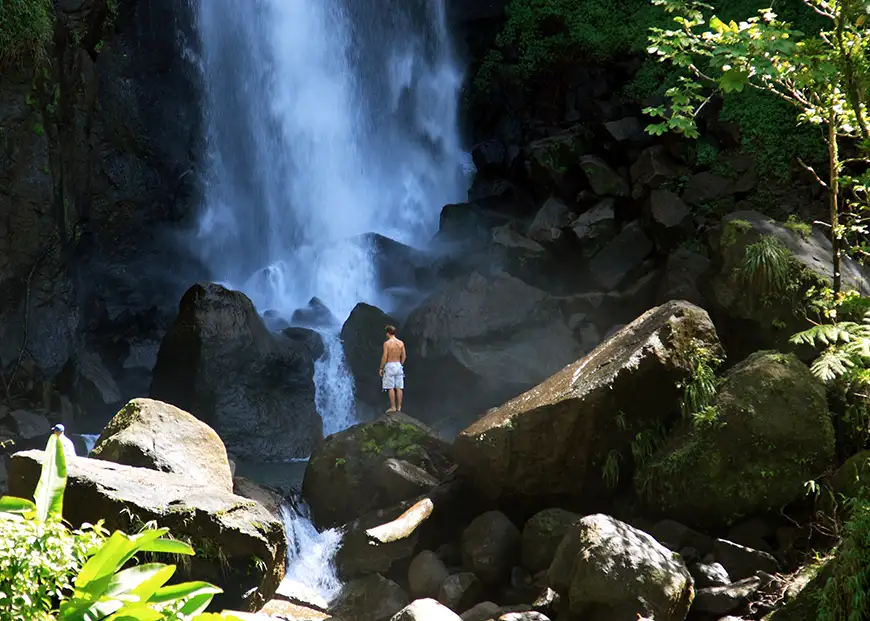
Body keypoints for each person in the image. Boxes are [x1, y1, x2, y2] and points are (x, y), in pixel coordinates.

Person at [379, 325, 406, 413]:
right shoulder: (401, 343)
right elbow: (404, 356)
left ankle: (393, 407)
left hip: (390, 365)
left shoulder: (387, 343)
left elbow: (385, 356)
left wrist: (381, 368)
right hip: (398, 364)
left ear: (387, 333)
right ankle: (399, 407)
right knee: (399, 387)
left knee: (390, 387)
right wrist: (400, 364)